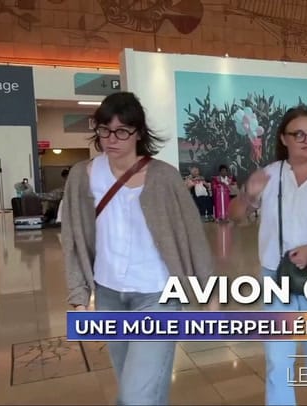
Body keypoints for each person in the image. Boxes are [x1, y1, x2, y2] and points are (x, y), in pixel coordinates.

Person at [61, 92, 215, 405]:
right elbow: (72, 239)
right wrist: (78, 296)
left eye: (122, 131)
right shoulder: (82, 175)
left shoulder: (164, 176)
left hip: (158, 295)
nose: (111, 139)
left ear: (138, 133)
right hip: (108, 295)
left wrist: (208, 294)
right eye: (105, 130)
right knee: (139, 387)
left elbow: (192, 237)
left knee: (135, 395)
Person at [229, 107, 307, 406]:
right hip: (276, 276)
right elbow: (235, 215)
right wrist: (248, 194)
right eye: (298, 134)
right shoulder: (271, 174)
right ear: (283, 138)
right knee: (279, 356)